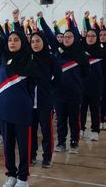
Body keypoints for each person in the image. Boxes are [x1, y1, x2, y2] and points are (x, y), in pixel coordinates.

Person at [0, 4, 35, 187]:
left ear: (23, 42)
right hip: (4, 109)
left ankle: (23, 177)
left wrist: (16, 22)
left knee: (23, 146)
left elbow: (32, 86)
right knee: (7, 146)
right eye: (10, 40)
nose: (12, 42)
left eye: (16, 40)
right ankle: (11, 174)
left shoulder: (29, 61)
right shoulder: (3, 56)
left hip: (22, 110)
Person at [53, 12, 89, 153]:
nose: (67, 39)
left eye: (70, 37)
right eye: (65, 37)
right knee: (61, 120)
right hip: (59, 94)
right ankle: (61, 142)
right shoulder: (58, 53)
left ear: (75, 38)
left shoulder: (80, 55)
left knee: (74, 119)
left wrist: (76, 84)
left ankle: (74, 142)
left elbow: (86, 73)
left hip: (74, 93)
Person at [30, 13, 61, 166]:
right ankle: (31, 155)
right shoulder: (28, 59)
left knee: (46, 130)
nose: (35, 44)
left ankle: (47, 157)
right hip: (29, 101)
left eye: (38, 41)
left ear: (43, 41)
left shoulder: (51, 58)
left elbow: (58, 77)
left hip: (45, 101)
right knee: (31, 130)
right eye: (32, 41)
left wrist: (49, 89)